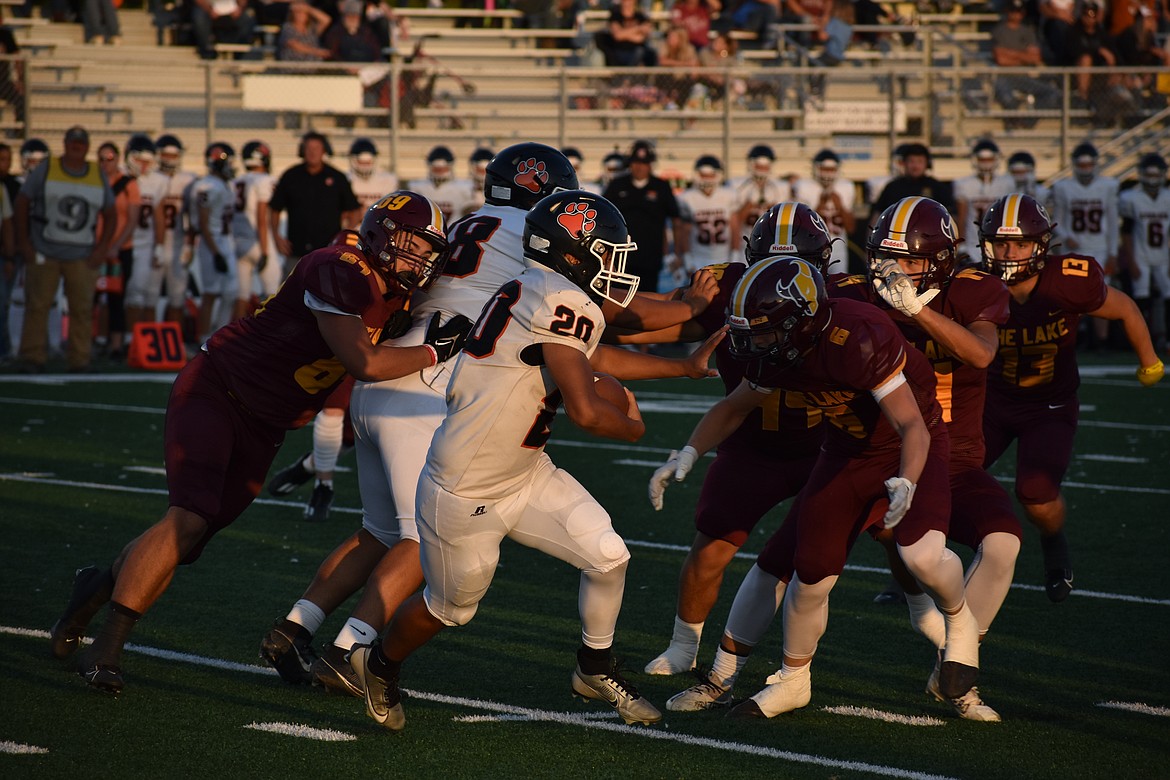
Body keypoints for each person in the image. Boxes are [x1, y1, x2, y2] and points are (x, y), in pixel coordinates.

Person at [48, 191, 473, 694]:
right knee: (189, 516)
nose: (419, 259)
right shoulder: (340, 267)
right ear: (381, 232)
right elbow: (365, 364)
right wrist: (431, 350)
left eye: (427, 251)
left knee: (191, 540)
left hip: (268, 422)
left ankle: (94, 589)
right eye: (411, 244)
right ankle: (107, 647)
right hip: (219, 389)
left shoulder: (399, 293)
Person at [349, 189, 725, 731]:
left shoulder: (542, 288)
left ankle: (593, 667)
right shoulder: (557, 299)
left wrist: (682, 368)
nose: (616, 263)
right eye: (606, 251)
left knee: (609, 556)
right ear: (573, 252)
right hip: (466, 489)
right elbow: (589, 411)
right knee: (449, 608)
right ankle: (381, 664)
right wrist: (634, 426)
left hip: (523, 472)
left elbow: (592, 354)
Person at [650, 254, 982, 719]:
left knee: (920, 555)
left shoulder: (856, 338)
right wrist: (686, 452)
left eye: (763, 332)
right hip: (845, 451)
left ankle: (960, 621)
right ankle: (792, 680)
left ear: (799, 323)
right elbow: (734, 406)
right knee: (810, 573)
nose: (754, 344)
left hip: (909, 445)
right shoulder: (779, 349)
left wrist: (906, 479)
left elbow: (912, 425)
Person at [636, 202, 832, 679]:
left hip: (828, 446)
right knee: (710, 548)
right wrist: (691, 306)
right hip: (750, 443)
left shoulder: (846, 297)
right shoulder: (726, 287)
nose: (781, 277)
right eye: (767, 266)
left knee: (890, 537)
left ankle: (936, 622)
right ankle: (685, 647)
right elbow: (659, 321)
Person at [979, 193, 1163, 604]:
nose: (1009, 253)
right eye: (1001, 243)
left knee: (1036, 493)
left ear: (1041, 245)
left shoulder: (1068, 281)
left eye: (1020, 243)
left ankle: (1054, 542)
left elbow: (1127, 309)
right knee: (945, 474)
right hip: (991, 404)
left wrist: (1149, 361)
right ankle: (914, 567)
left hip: (1050, 407)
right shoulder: (975, 285)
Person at [15, 126, 116, 374]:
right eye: (73, 142)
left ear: (87, 146)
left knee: (82, 310)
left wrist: (102, 248)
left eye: (81, 143)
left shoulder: (95, 172)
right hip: (44, 250)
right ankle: (32, 357)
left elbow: (111, 213)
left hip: (82, 254)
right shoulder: (47, 168)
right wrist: (25, 243)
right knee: (38, 306)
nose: (77, 147)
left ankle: (80, 359)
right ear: (65, 143)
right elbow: (22, 202)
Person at [1048, 142, 1119, 347]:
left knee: (1102, 295)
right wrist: (1065, 234)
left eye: (1089, 165)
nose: (1086, 169)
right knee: (1071, 297)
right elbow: (1057, 220)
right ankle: (1072, 339)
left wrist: (1113, 252)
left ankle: (1102, 343)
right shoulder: (1064, 187)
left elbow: (1113, 223)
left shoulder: (1108, 186)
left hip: (1100, 248)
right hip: (1074, 249)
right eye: (1082, 165)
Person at [268, 131, 361, 270]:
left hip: (328, 252)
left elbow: (354, 210)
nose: (312, 153)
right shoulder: (291, 176)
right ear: (302, 150)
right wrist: (276, 236)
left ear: (324, 150)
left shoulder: (337, 178)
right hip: (296, 251)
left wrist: (344, 238)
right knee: (289, 290)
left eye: (316, 148)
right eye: (308, 148)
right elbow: (274, 208)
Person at [603, 140, 686, 294]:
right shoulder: (617, 185)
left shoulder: (661, 186)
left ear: (650, 165)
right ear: (630, 164)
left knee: (648, 298)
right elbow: (604, 218)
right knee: (618, 297)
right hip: (621, 256)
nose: (639, 167)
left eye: (644, 163)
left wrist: (677, 253)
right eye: (636, 162)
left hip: (651, 255)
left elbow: (676, 220)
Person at [1118, 154, 1170, 360]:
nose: (1152, 179)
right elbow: (1127, 232)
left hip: (1163, 255)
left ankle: (1165, 340)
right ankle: (1142, 340)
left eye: (1155, 175)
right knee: (1141, 299)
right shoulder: (1132, 198)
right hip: (1141, 254)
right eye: (1149, 175)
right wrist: (1131, 260)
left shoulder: (1167, 197)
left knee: (1168, 296)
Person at [94, 141, 141, 360]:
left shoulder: (128, 183)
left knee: (116, 299)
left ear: (118, 159)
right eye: (102, 159)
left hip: (120, 249)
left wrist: (115, 246)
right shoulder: (93, 181)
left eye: (110, 158)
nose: (106, 163)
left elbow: (132, 219)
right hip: (95, 248)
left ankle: (115, 344)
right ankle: (86, 343)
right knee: (90, 298)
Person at [188, 143, 238, 344]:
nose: (232, 167)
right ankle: (204, 339)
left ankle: (220, 336)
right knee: (210, 293)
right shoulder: (206, 185)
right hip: (212, 244)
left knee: (231, 291)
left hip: (225, 241)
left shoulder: (222, 184)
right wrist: (216, 252)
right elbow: (203, 222)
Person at [150, 134, 197, 332]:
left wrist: (189, 244)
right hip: (153, 242)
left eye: (173, 155)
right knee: (148, 296)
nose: (170, 160)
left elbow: (193, 217)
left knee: (177, 297)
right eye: (166, 155)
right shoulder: (150, 179)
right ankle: (147, 339)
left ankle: (173, 342)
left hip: (177, 242)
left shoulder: (188, 180)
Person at [231, 140, 282, 322]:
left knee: (241, 296)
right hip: (260, 242)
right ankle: (271, 342)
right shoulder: (265, 180)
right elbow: (262, 217)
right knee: (273, 297)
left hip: (239, 243)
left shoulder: (236, 182)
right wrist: (266, 251)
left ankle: (231, 342)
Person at [672, 155, 740, 279]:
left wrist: (735, 254)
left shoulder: (728, 195)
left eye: (711, 175)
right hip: (698, 258)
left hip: (724, 257)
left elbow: (735, 228)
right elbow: (684, 231)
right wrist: (687, 259)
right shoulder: (687, 197)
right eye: (704, 175)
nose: (707, 179)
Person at [991, 0, 1061, 116]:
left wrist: (1010, 54)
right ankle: (1014, 120)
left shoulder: (1028, 31)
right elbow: (1001, 60)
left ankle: (1029, 121)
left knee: (1052, 93)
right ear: (1008, 11)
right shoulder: (999, 31)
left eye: (1018, 11)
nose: (1016, 14)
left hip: (1025, 75)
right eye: (1013, 11)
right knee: (1007, 98)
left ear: (1023, 13)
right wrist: (1023, 55)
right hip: (1005, 76)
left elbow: (1035, 57)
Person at [791, 148, 855, 275]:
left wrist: (840, 206)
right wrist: (819, 206)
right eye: (824, 169)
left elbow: (851, 228)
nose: (827, 174)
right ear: (815, 168)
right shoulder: (804, 187)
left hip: (838, 248)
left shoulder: (846, 187)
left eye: (831, 170)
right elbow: (800, 226)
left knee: (838, 285)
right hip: (811, 248)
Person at [953, 140, 1014, 265]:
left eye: (989, 159)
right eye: (982, 160)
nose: (986, 163)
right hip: (972, 242)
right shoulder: (964, 184)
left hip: (998, 241)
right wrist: (962, 244)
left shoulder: (1006, 183)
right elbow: (962, 217)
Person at [869, 142, 955, 223]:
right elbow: (877, 215)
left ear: (927, 164)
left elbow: (951, 217)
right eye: (911, 161)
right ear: (904, 163)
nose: (915, 166)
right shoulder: (893, 187)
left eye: (920, 161)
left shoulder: (938, 187)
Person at [731, 144, 789, 234]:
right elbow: (734, 222)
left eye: (765, 167)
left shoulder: (780, 187)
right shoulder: (737, 185)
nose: (762, 170)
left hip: (771, 242)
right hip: (745, 240)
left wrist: (772, 207)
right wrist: (749, 204)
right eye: (759, 166)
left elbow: (784, 222)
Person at [409, 145, 475, 224]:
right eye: (437, 169)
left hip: (454, 232)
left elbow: (471, 212)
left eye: (443, 169)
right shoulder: (418, 187)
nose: (440, 172)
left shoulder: (464, 187)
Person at [597, 0, 657, 67]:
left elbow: (641, 37)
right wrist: (638, 28)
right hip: (620, 52)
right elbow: (618, 35)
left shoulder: (641, 17)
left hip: (638, 52)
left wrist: (624, 33)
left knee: (644, 52)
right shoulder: (615, 16)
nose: (627, 2)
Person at [191, 0, 257, 60]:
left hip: (233, 9)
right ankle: (207, 53)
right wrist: (209, 10)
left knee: (248, 18)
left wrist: (239, 8)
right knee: (199, 17)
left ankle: (239, 54)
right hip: (209, 9)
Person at [346, 137, 399, 212]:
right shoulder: (346, 180)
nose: (364, 167)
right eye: (361, 162)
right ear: (353, 161)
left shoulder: (388, 180)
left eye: (367, 162)